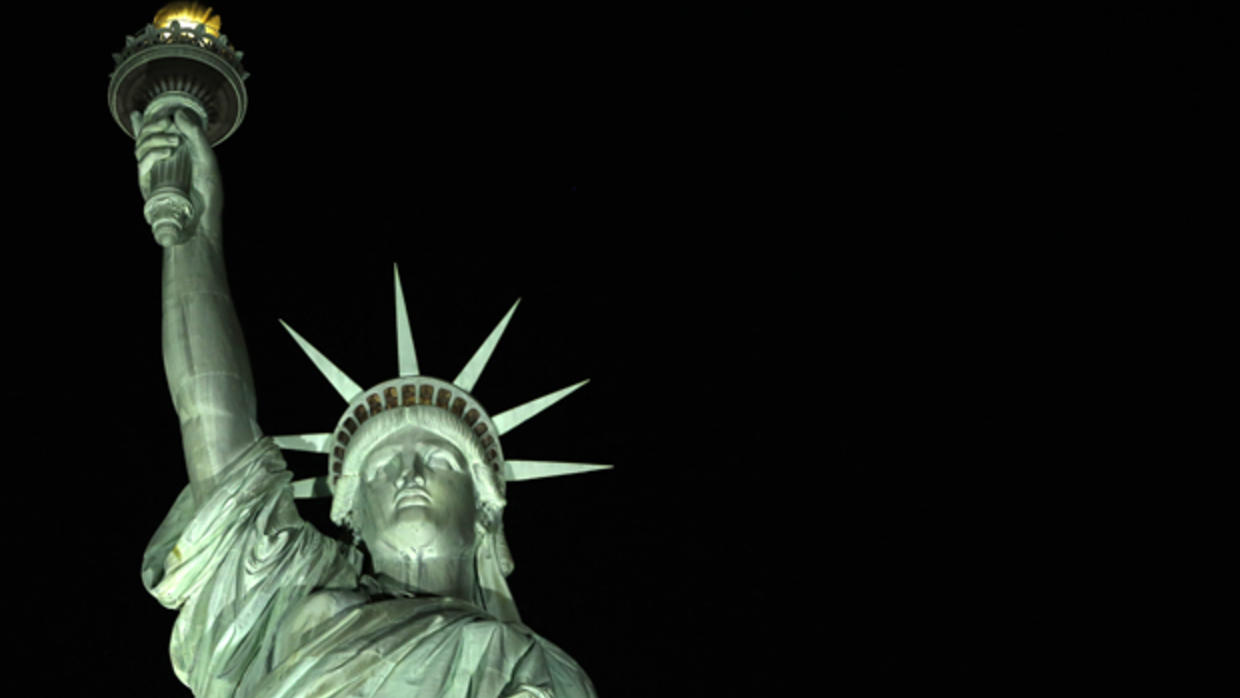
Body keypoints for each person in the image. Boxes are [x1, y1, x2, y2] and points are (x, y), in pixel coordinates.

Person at [134, 107, 600, 698]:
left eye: (438, 461)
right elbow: (211, 421)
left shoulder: (529, 666)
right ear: (350, 509)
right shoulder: (288, 593)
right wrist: (196, 235)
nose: (408, 473)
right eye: (382, 467)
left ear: (487, 509)